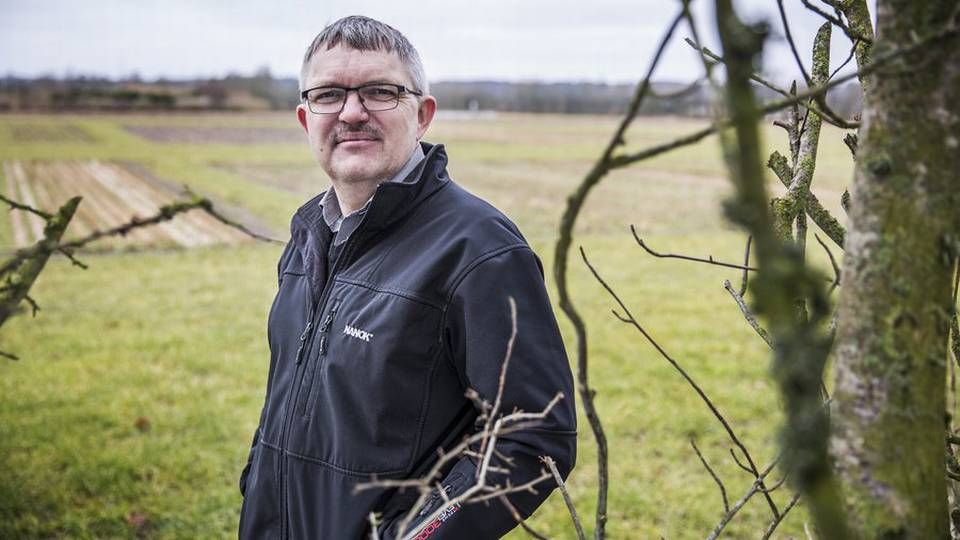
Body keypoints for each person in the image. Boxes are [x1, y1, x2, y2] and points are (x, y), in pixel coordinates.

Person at [238, 15, 576, 539]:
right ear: (307, 119)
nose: (352, 112)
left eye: (380, 91)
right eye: (329, 94)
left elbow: (533, 439)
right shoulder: (310, 236)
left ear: (421, 115)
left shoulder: (480, 250)